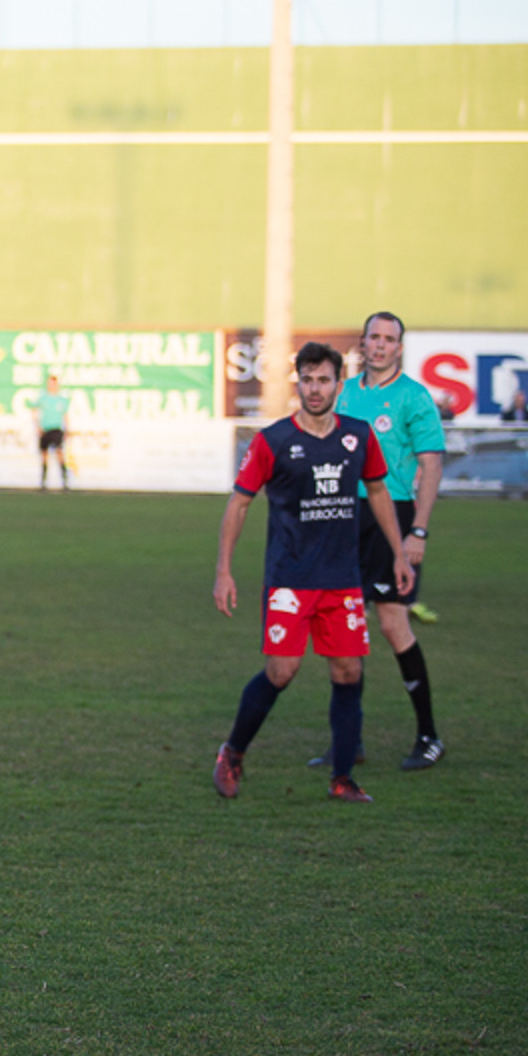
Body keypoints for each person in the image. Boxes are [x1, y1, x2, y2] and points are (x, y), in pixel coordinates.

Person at [212, 342, 413, 804]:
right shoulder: (274, 440)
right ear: (297, 383)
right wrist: (224, 570)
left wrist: (399, 553)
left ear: (338, 384)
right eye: (307, 380)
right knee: (282, 670)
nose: (315, 389)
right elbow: (239, 503)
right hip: (290, 579)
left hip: (342, 579)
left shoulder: (358, 436)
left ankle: (342, 777)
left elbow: (378, 492)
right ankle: (232, 753)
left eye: (323, 380)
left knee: (348, 671)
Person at [314, 311, 449, 771]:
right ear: (363, 341)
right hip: (344, 517)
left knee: (393, 624)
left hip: (394, 515)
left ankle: (429, 736)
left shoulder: (414, 397)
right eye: (374, 337)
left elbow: (431, 466)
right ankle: (348, 740)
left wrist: (418, 531)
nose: (380, 345)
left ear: (399, 348)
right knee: (343, 627)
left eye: (389, 339)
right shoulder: (345, 393)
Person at [33, 372, 72, 490]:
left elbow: (65, 415)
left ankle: (65, 481)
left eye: (54, 383)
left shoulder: (61, 400)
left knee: (59, 453)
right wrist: (38, 426)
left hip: (56, 429)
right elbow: (35, 411)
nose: (52, 386)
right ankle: (43, 482)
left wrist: (67, 429)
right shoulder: (43, 398)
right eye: (50, 383)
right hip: (45, 429)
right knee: (44, 455)